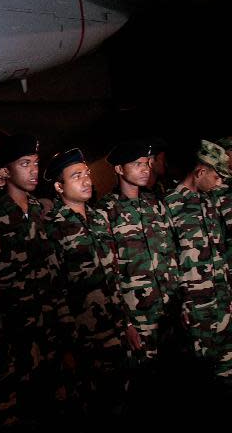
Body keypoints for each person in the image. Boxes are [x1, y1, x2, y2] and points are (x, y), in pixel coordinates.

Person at [43, 148, 131, 433]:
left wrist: (126, 324)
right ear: (58, 187)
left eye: (87, 173)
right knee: (91, 419)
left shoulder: (99, 218)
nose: (86, 180)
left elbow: (114, 277)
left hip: (115, 332)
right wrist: (68, 345)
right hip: (84, 339)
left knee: (122, 411)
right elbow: (55, 291)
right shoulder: (52, 227)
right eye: (76, 176)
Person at [0, 134, 65, 433]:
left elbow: (53, 271)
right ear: (7, 170)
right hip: (13, 336)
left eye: (36, 164)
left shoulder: (39, 210)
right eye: (24, 164)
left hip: (48, 331)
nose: (33, 171)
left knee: (53, 415)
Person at [97, 141, 182, 365]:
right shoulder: (106, 210)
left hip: (169, 312)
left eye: (146, 164)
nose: (145, 169)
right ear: (118, 169)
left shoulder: (155, 203)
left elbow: (171, 256)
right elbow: (109, 272)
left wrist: (180, 302)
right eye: (137, 164)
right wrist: (125, 322)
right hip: (139, 316)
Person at [164, 140, 232, 384]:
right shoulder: (169, 205)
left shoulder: (209, 202)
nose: (219, 182)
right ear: (200, 172)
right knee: (201, 376)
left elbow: (221, 253)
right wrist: (181, 303)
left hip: (222, 302)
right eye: (216, 176)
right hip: (195, 308)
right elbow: (168, 261)